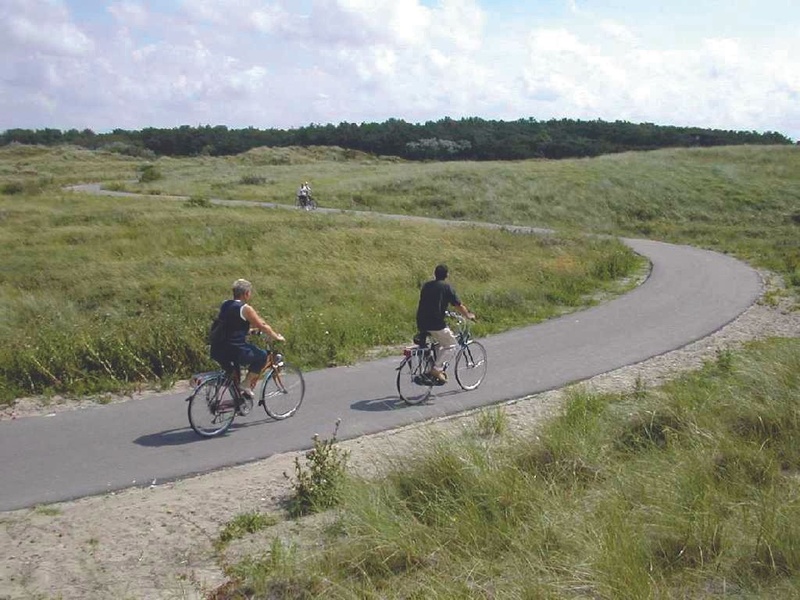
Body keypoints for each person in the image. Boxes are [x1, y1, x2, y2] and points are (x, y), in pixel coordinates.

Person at [210, 279, 285, 399]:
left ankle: (237, 403)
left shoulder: (225, 304)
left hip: (218, 349)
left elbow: (231, 326)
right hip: (234, 350)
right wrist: (276, 336)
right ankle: (246, 385)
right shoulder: (245, 308)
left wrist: (249, 331)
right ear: (246, 293)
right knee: (261, 356)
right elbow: (262, 325)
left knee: (233, 376)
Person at [415, 264, 475, 383]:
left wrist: (444, 311)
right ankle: (436, 370)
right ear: (447, 275)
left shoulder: (427, 286)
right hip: (435, 323)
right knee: (452, 345)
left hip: (421, 321)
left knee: (439, 344)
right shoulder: (446, 287)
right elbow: (458, 305)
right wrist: (468, 315)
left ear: (435, 274)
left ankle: (433, 371)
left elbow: (430, 302)